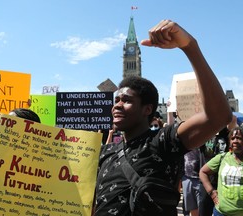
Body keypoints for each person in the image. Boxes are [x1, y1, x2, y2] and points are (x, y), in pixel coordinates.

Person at [93, 19, 232, 216]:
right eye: (116, 99)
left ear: (147, 109)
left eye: (126, 100)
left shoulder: (162, 142)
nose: (117, 104)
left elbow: (218, 116)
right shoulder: (106, 152)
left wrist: (190, 46)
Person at [199, 126, 243, 216]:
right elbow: (203, 172)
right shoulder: (222, 158)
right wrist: (212, 192)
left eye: (239, 138)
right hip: (221, 212)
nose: (235, 141)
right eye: (232, 138)